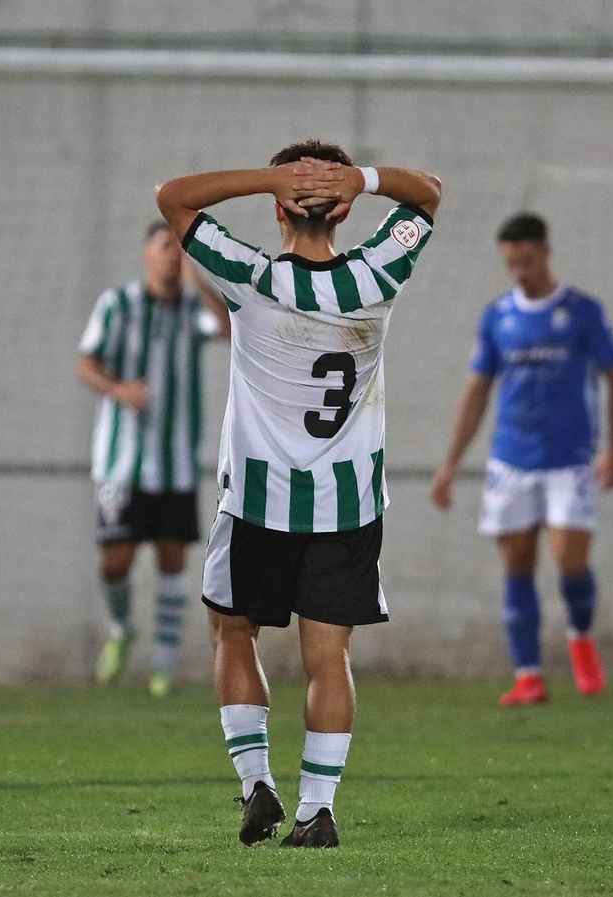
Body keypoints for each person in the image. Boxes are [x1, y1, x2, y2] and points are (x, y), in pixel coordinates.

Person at [157, 141, 440, 848]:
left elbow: (173, 195)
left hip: (258, 500)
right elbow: (428, 193)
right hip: (347, 506)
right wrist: (367, 179)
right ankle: (319, 808)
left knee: (231, 631)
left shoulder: (250, 276)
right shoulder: (379, 274)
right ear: (343, 211)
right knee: (328, 654)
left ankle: (258, 784)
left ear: (278, 208)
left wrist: (268, 178)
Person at [429, 213, 613, 706]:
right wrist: (451, 462)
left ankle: (581, 637)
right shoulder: (497, 317)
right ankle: (528, 676)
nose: (519, 271)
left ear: (546, 252)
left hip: (571, 461)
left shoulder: (582, 311)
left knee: (569, 561)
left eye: (526, 260)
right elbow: (477, 389)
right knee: (517, 563)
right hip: (512, 460)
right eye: (510, 263)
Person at [77, 222, 230, 698]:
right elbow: (86, 364)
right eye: (166, 247)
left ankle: (162, 667)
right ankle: (122, 629)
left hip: (177, 463)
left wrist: (197, 279)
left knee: (171, 560)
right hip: (121, 463)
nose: (172, 257)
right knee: (116, 561)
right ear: (147, 253)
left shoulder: (191, 308)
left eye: (179, 250)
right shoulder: (117, 304)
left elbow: (228, 328)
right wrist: (117, 389)